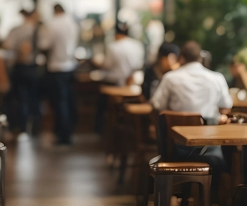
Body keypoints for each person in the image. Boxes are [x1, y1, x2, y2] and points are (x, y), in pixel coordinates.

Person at [150, 41, 233, 197]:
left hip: (175, 148)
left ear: (181, 58)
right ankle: (214, 196)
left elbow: (156, 105)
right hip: (209, 149)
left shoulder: (170, 78)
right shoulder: (217, 78)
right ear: (200, 58)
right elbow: (226, 107)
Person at [38, 4, 79, 146]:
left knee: (59, 102)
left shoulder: (52, 24)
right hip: (70, 66)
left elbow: (44, 45)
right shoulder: (72, 23)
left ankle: (63, 135)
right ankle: (68, 131)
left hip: (56, 67)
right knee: (68, 100)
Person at [3, 9, 41, 139]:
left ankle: (22, 128)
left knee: (21, 99)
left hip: (21, 67)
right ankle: (35, 130)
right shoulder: (39, 29)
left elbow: (7, 45)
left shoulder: (17, 30)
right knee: (34, 99)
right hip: (34, 67)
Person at [100, 22, 145, 86]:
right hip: (134, 82)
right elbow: (139, 65)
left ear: (116, 34)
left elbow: (107, 65)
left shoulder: (113, 47)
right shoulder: (138, 44)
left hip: (116, 83)